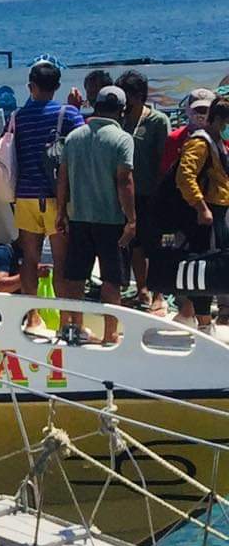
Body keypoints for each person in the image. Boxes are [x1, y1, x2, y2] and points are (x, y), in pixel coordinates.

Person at [54, 85, 136, 344]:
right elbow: (124, 181)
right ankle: (110, 334)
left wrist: (61, 212)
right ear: (122, 111)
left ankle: (76, 328)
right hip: (111, 220)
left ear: (95, 106)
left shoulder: (74, 137)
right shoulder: (122, 139)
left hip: (79, 217)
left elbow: (63, 178)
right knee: (112, 279)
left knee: (76, 278)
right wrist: (132, 219)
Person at [10, 58, 84, 310]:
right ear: (57, 86)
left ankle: (32, 316)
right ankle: (64, 319)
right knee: (61, 261)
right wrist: (75, 108)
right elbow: (83, 141)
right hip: (56, 197)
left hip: (25, 195)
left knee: (29, 260)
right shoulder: (68, 114)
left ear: (31, 87)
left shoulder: (18, 117)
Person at [168, 90, 229, 332]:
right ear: (217, 120)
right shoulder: (201, 142)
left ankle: (203, 319)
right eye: (225, 123)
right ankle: (203, 323)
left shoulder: (216, 142)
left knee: (213, 267)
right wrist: (201, 207)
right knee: (203, 268)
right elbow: (185, 177)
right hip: (206, 215)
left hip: (219, 212)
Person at [122, 69, 170, 311]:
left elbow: (165, 160)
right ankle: (142, 290)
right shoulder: (120, 121)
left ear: (139, 95)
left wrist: (162, 195)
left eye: (128, 95)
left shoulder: (157, 121)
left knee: (155, 245)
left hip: (152, 193)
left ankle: (159, 293)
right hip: (128, 195)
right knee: (135, 244)